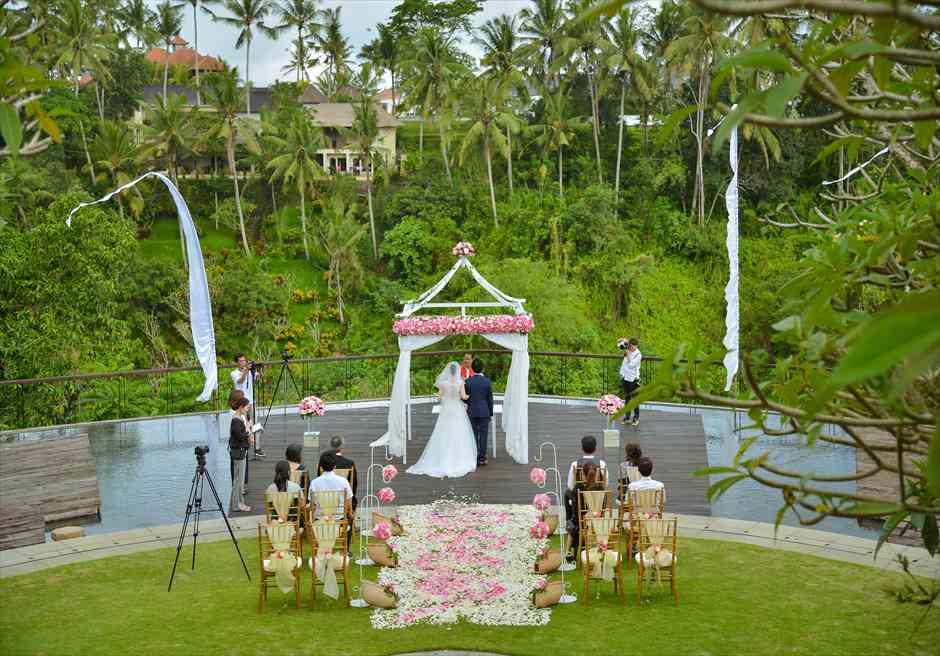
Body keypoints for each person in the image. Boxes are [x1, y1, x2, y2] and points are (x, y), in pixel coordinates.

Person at [407, 362, 478, 478]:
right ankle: (458, 458)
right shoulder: (461, 382)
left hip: (447, 410)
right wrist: (470, 397)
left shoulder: (443, 384)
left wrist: (441, 396)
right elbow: (463, 397)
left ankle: (443, 457)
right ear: (458, 371)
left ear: (448, 371)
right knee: (459, 432)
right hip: (457, 409)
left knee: (444, 432)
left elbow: (439, 397)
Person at [565, 462, 606, 562]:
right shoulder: (600, 489)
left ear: (583, 474)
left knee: (571, 524)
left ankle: (568, 551)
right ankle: (600, 549)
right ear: (596, 474)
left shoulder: (578, 488)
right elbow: (602, 508)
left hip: (580, 522)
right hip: (596, 522)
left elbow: (575, 508)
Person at [464, 358, 494, 467]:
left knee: (473, 434)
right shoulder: (487, 381)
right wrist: (490, 413)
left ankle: (474, 456)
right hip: (484, 412)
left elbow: (465, 398)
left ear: (472, 368)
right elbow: (490, 399)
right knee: (483, 435)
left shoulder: (467, 381)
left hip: (471, 411)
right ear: (482, 368)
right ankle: (482, 458)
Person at [228, 396, 254, 513]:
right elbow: (241, 436)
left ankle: (240, 502)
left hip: (241, 452)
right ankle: (236, 504)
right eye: (246, 407)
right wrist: (248, 428)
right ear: (241, 407)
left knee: (240, 480)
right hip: (238, 453)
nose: (247, 410)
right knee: (238, 480)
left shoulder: (240, 418)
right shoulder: (236, 420)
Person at [318, 435, 358, 509]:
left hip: (324, 500)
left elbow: (319, 476)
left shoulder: (323, 460)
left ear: (331, 446)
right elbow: (354, 485)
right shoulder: (349, 463)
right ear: (342, 447)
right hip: (343, 502)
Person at [619, 338, 642, 426]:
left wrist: (628, 355)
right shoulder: (628, 349)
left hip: (634, 379)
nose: (631, 348)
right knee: (627, 398)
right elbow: (619, 345)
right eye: (630, 346)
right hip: (625, 377)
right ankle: (627, 417)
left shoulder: (638, 354)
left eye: (633, 346)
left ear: (636, 346)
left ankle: (636, 418)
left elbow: (632, 365)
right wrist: (622, 340)